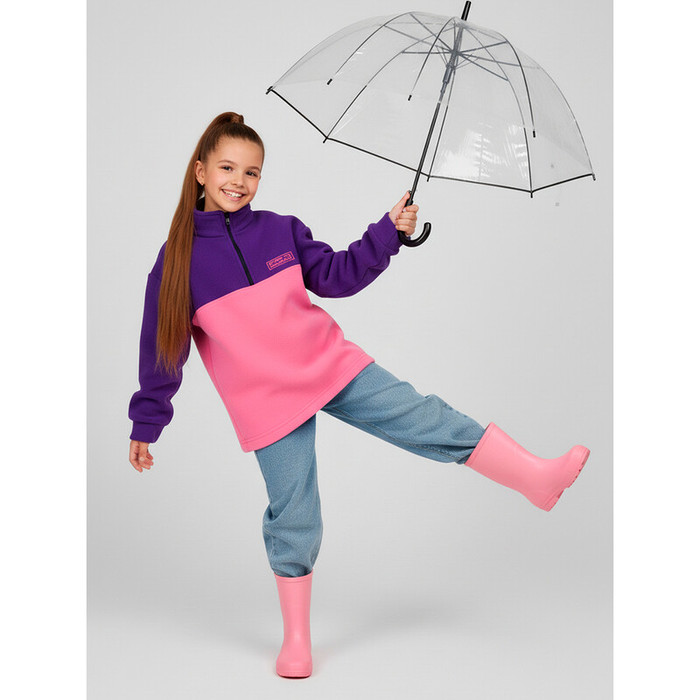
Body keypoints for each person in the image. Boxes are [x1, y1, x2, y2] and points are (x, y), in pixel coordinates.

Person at [127, 111, 590, 679]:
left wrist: (388, 232)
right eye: (227, 168)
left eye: (252, 172)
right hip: (267, 403)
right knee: (296, 514)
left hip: (329, 364)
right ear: (200, 171)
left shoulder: (280, 230)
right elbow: (162, 350)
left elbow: (338, 275)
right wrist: (147, 423)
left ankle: (534, 478)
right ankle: (297, 641)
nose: (239, 182)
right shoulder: (176, 262)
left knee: (425, 417)